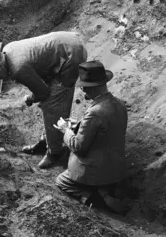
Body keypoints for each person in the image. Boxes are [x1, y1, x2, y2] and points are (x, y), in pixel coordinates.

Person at [0, 31, 87, 169]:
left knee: (53, 105)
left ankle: (55, 152)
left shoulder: (17, 68)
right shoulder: (8, 49)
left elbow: (43, 92)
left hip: (72, 56)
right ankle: (47, 140)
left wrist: (30, 98)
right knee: (48, 103)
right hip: (67, 43)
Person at [54, 61, 128, 213]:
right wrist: (80, 124)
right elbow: (105, 131)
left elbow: (78, 147)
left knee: (61, 181)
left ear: (88, 87)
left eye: (83, 87)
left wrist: (65, 130)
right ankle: (105, 189)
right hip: (115, 168)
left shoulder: (95, 112)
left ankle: (94, 197)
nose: (83, 91)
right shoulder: (120, 104)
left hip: (94, 170)